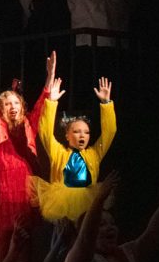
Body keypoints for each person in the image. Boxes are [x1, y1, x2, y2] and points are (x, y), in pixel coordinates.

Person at [0, 52, 54, 261]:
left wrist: (49, 77)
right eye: (7, 104)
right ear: (2, 109)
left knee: (25, 233)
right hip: (4, 184)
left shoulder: (29, 125)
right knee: (5, 233)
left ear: (22, 106)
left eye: (16, 103)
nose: (13, 107)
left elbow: (41, 106)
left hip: (25, 185)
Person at [31, 72, 116, 223]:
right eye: (77, 132)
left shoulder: (94, 153)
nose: (82, 135)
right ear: (67, 136)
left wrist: (106, 103)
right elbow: (45, 132)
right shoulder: (58, 152)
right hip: (62, 202)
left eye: (86, 132)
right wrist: (51, 102)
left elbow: (109, 132)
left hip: (87, 200)